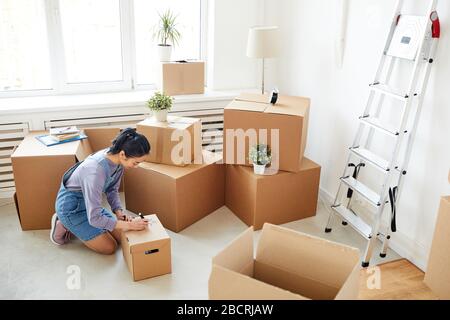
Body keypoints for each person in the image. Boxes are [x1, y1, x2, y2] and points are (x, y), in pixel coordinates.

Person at [50, 128, 151, 255]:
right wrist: (130, 225)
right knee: (110, 247)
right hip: (72, 210)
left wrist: (118, 212)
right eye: (136, 162)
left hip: (90, 206)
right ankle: (63, 223)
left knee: (122, 237)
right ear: (123, 154)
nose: (136, 167)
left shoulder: (117, 161)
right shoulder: (95, 171)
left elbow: (112, 189)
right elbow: (95, 219)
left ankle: (76, 226)